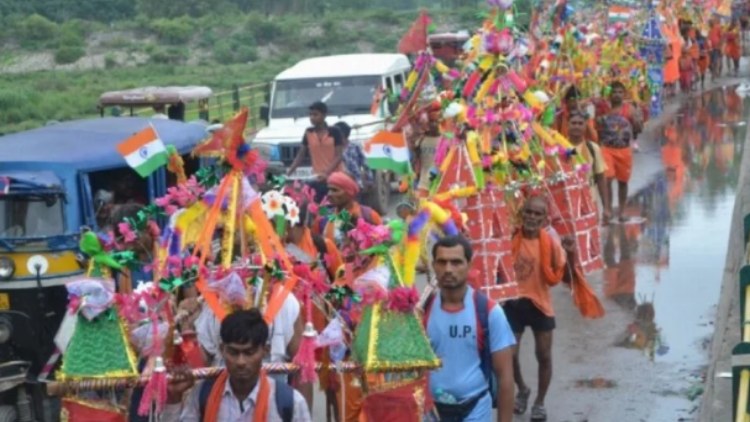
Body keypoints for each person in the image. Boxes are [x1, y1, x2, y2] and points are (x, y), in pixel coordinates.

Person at [425, 235, 515, 422]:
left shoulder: (490, 312)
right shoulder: (421, 311)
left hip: (475, 411)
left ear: (469, 265)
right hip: (431, 412)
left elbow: (505, 376)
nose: (448, 269)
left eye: (456, 262)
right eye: (442, 262)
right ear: (434, 265)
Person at [163, 309, 312, 421]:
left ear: (265, 351)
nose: (241, 362)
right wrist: (174, 398)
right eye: (234, 352)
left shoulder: (290, 401)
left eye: (249, 353)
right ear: (222, 350)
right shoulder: (202, 395)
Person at [504, 196, 576, 422]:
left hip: (540, 305)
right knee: (509, 355)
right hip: (513, 304)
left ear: (545, 219)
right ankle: (523, 389)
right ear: (521, 214)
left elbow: (565, 277)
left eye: (537, 214)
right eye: (529, 212)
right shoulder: (509, 239)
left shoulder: (552, 243)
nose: (532, 217)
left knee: (543, 356)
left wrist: (571, 254)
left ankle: (539, 402)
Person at [596, 81, 642, 222]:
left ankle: (622, 211)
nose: (617, 95)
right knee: (607, 179)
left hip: (624, 150)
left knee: (623, 181)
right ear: (609, 94)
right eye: (614, 92)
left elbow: (638, 129)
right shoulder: (603, 109)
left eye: (620, 92)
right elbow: (597, 128)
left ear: (624, 94)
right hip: (607, 149)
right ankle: (607, 209)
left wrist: (637, 120)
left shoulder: (630, 109)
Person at [287, 101, 344, 202]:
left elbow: (339, 156)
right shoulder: (309, 132)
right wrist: (289, 172)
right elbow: (301, 155)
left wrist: (326, 173)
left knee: (333, 207)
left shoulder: (335, 132)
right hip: (317, 177)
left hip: (335, 178)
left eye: (315, 114)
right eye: (310, 115)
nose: (312, 118)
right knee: (317, 206)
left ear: (324, 115)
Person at [313, 172, 381, 249]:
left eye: (335, 190)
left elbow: (383, 244)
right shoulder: (324, 215)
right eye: (329, 190)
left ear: (350, 192)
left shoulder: (368, 215)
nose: (329, 194)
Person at [567, 111, 611, 222]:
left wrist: (606, 208)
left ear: (586, 126)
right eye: (573, 123)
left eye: (580, 123)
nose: (576, 126)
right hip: (568, 203)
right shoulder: (561, 148)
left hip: (590, 200)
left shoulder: (593, 148)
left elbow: (601, 178)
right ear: (568, 125)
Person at [333, 121, 372, 193]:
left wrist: (369, 180)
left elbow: (365, 163)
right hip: (337, 183)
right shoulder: (332, 148)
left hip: (355, 183)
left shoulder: (355, 146)